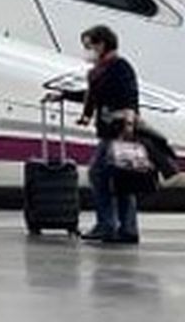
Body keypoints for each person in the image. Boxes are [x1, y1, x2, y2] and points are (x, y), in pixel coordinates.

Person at [54, 24, 142, 245]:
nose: (88, 51)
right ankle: (126, 229)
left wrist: (128, 125)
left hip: (118, 131)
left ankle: (107, 225)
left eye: (89, 46)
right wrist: (63, 95)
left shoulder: (119, 67)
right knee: (121, 179)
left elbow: (130, 95)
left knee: (99, 174)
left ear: (102, 44)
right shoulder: (102, 70)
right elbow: (93, 95)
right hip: (111, 130)